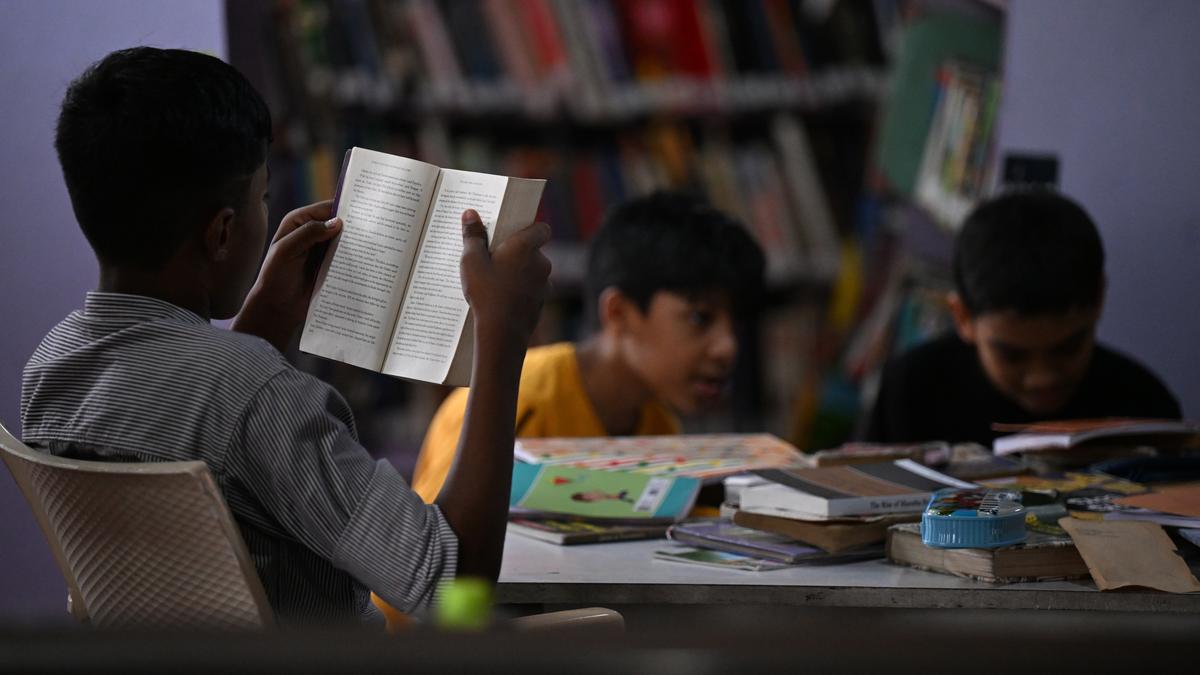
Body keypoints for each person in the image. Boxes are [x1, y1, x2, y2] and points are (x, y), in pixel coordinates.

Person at [20, 47, 551, 626]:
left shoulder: (52, 368)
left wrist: (264, 322)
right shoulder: (254, 392)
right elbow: (453, 591)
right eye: (261, 198)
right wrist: (501, 333)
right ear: (222, 232)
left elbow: (207, 439)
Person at [407, 191, 767, 504]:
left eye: (734, 325)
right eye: (700, 318)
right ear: (619, 312)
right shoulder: (515, 402)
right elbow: (421, 563)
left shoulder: (658, 426)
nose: (727, 348)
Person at [866, 187, 1180, 446]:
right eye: (1011, 355)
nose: (1041, 377)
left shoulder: (1144, 410)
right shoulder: (911, 391)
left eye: (1067, 348)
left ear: (1098, 299)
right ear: (962, 317)